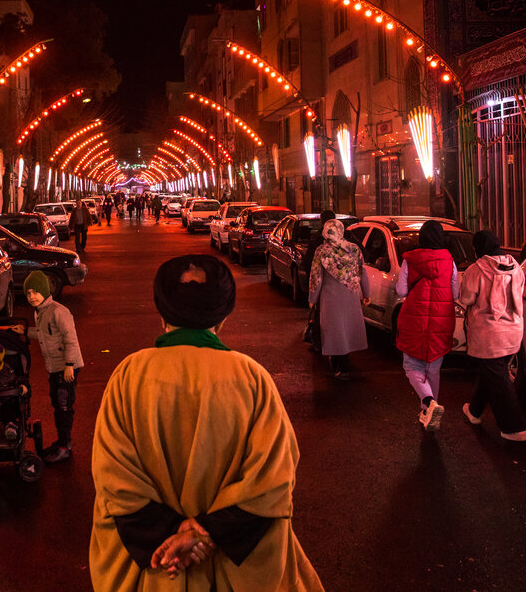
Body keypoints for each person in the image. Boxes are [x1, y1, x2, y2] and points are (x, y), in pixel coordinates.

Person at [89, 254, 323, 591]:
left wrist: (173, 538)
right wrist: (207, 534)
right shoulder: (252, 379)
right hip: (235, 567)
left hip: (157, 568)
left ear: (162, 312)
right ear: (223, 315)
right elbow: (273, 479)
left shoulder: (128, 377)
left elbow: (114, 480)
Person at [459, 231, 526, 442]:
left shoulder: (476, 270)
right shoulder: (516, 268)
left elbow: (466, 298)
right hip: (513, 331)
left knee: (497, 376)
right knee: (493, 370)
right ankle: (474, 411)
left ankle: (514, 428)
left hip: (489, 333)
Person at [395, 219, 458, 431]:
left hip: (415, 318)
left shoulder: (410, 260)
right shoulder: (450, 260)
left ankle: (429, 403)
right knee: (433, 369)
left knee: (412, 366)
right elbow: (455, 293)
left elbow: (402, 290)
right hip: (442, 319)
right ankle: (428, 412)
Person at [15, 270, 83, 463]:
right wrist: (26, 332)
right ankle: (61, 442)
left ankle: (65, 447)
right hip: (54, 367)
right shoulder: (40, 312)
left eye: (35, 292)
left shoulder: (59, 311)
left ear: (45, 291)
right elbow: (44, 334)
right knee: (57, 403)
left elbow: (71, 340)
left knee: (63, 404)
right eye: (28, 293)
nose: (31, 297)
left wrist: (69, 365)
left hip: (66, 366)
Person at [308, 219, 370, 380]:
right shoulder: (354, 249)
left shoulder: (322, 251)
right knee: (347, 329)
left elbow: (316, 277)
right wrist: (366, 294)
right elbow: (362, 272)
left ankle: (338, 364)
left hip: (330, 298)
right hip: (351, 295)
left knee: (334, 331)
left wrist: (313, 298)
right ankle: (345, 361)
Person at [302, 210, 336, 349]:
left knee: (320, 314)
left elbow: (310, 263)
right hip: (342, 287)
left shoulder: (318, 240)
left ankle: (318, 342)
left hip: (325, 287)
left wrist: (312, 293)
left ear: (322, 221)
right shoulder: (346, 238)